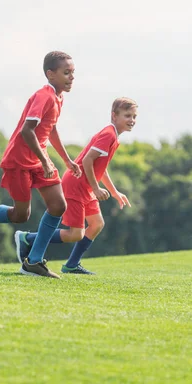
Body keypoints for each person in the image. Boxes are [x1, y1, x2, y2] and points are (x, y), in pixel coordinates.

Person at [0, 51, 81, 278]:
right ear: (50, 74)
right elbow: (27, 130)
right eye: (66, 73)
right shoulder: (44, 96)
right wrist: (44, 160)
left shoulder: (59, 97)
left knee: (58, 206)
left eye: (73, 73)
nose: (71, 77)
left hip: (39, 159)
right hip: (20, 160)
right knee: (21, 215)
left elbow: (49, 129)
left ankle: (33, 262)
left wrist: (66, 160)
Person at [15, 97, 138, 275]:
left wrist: (115, 192)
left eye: (134, 116)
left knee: (96, 224)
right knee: (75, 234)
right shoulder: (109, 134)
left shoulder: (114, 137)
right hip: (76, 185)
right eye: (127, 115)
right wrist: (96, 189)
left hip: (86, 188)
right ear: (114, 116)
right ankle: (28, 238)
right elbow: (88, 160)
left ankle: (72, 265)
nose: (132, 120)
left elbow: (100, 168)